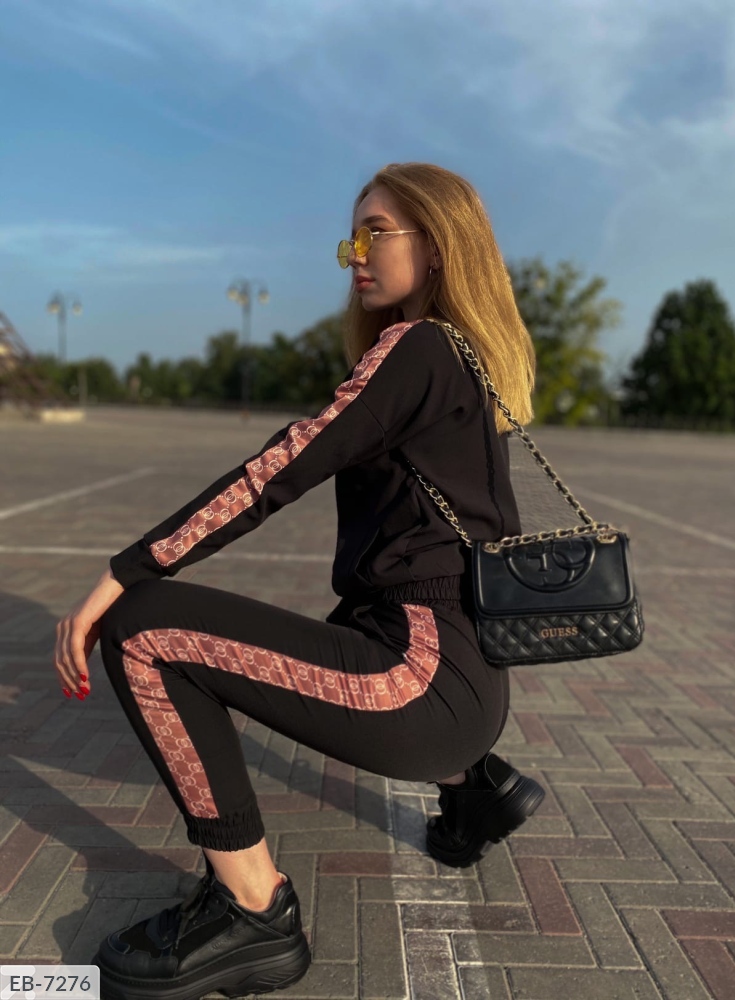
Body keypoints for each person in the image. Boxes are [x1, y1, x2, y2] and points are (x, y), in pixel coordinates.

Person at [53, 162, 545, 1000]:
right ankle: (475, 793)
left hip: (422, 685)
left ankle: (254, 913)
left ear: (437, 245)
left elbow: (274, 472)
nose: (357, 255)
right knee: (347, 615)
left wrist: (120, 574)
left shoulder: (418, 347)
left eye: (377, 233)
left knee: (145, 629)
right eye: (350, 239)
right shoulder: (463, 353)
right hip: (468, 686)